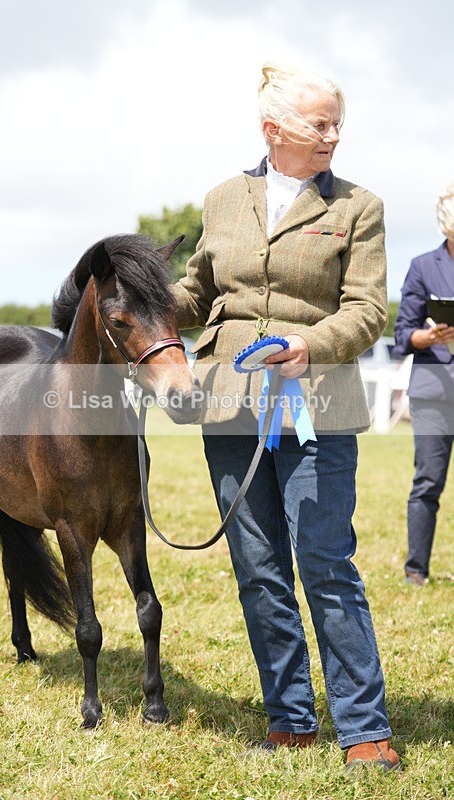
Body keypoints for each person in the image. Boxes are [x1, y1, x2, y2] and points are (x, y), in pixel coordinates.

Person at [172, 61, 399, 772]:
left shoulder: (358, 207)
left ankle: (363, 730)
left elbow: (367, 310)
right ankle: (290, 717)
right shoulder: (219, 200)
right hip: (229, 407)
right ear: (273, 129)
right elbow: (194, 292)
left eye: (336, 123)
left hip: (318, 409)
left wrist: (313, 345)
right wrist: (131, 298)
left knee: (325, 562)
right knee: (258, 566)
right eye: (318, 124)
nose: (333, 135)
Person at [394, 184, 454, 587]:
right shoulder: (422, 266)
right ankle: (416, 570)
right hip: (435, 392)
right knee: (428, 481)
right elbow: (402, 335)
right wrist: (426, 338)